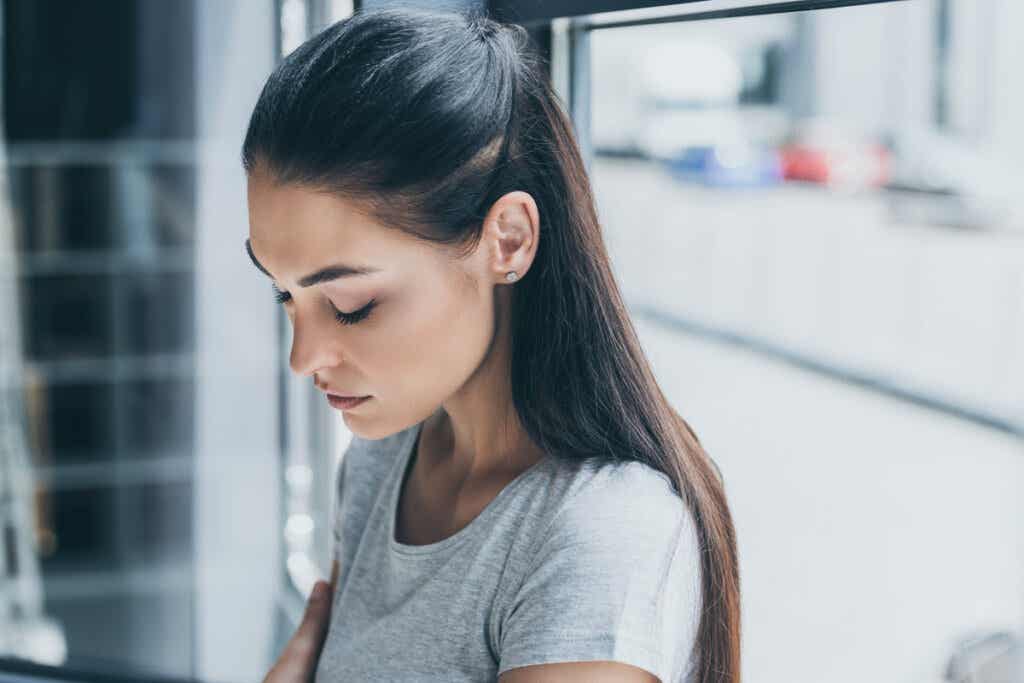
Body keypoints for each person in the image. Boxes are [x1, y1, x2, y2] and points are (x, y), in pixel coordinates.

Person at [245, 7, 740, 682]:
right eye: (286, 296)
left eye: (349, 305)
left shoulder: (600, 533)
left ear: (506, 240)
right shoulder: (379, 465)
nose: (304, 358)